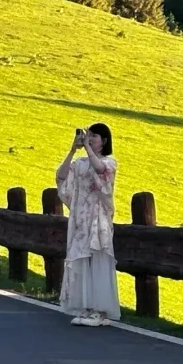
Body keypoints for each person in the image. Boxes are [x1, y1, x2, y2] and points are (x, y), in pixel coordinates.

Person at [55, 122, 120, 327]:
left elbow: (101, 171)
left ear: (104, 141)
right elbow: (61, 177)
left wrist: (88, 149)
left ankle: (100, 311)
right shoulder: (80, 163)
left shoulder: (110, 162)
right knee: (81, 260)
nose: (90, 138)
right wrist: (72, 150)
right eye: (88, 135)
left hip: (98, 218)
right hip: (81, 219)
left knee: (98, 261)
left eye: (95, 136)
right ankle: (85, 306)